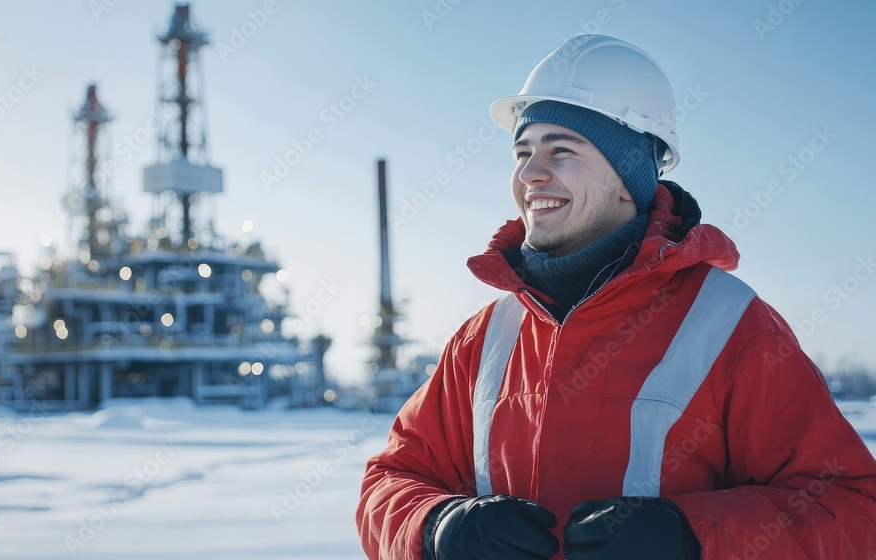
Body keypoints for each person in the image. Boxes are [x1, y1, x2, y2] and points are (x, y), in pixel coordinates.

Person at [356, 34, 876, 560]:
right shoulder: (486, 337)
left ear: (631, 177)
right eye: (523, 151)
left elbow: (851, 511)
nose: (530, 173)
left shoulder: (732, 327)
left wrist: (692, 537)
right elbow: (392, 480)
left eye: (561, 149)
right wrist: (438, 525)